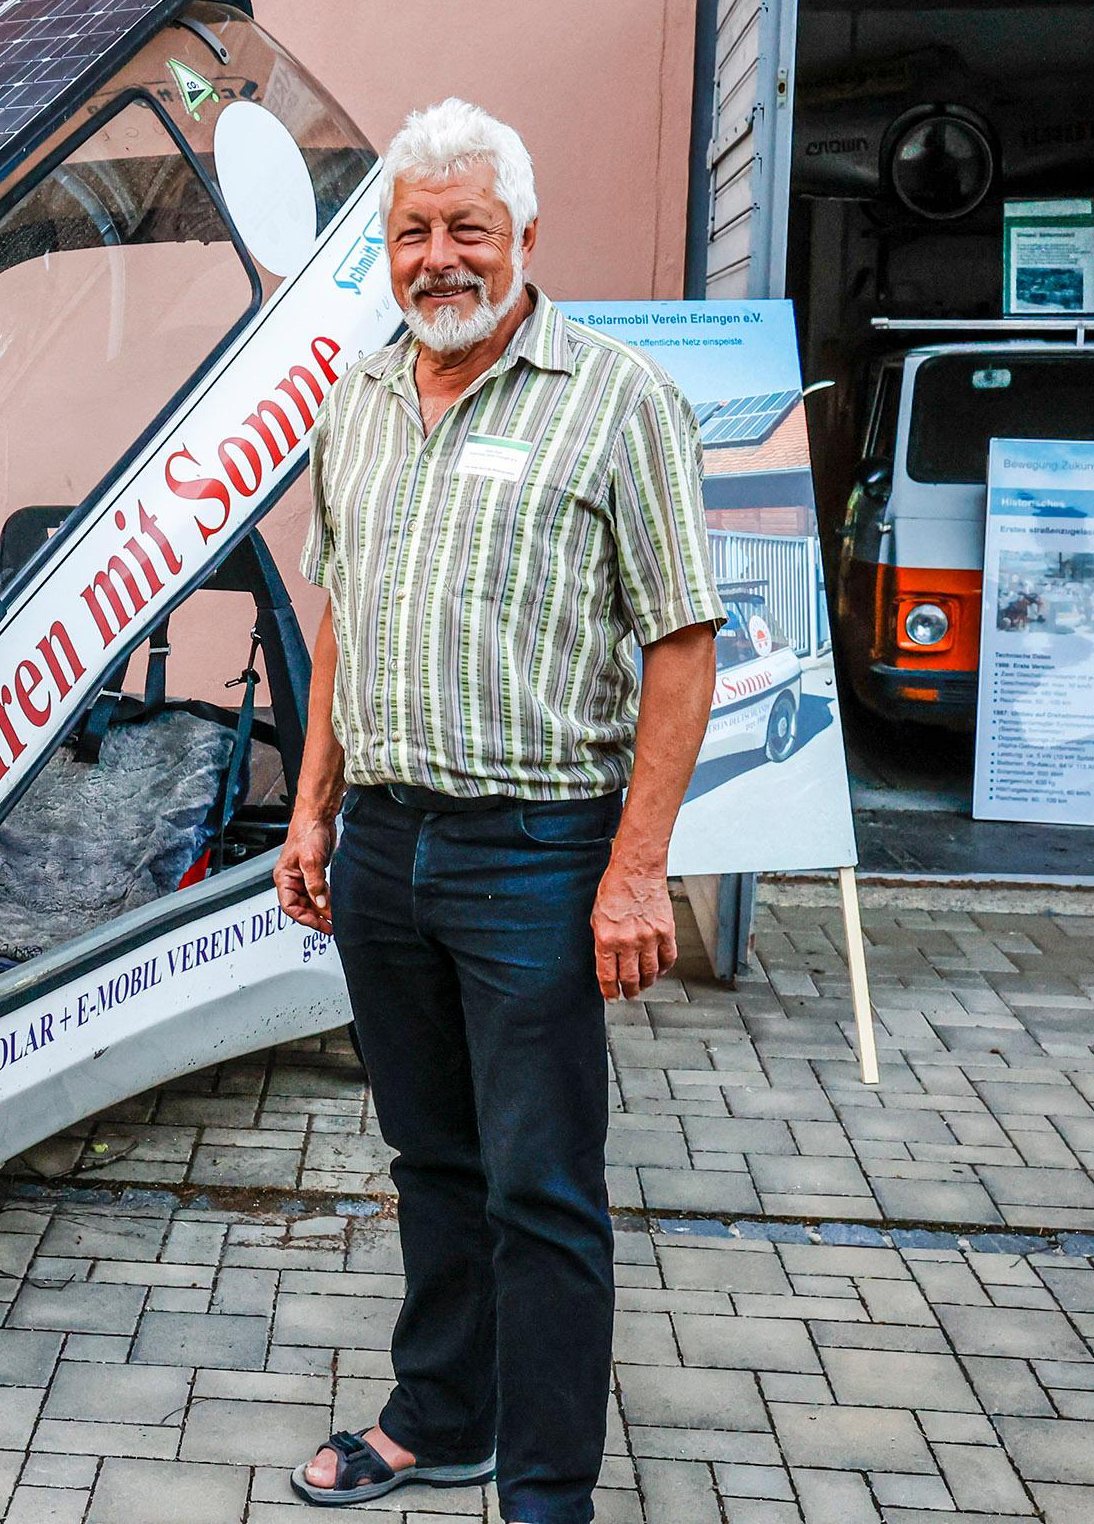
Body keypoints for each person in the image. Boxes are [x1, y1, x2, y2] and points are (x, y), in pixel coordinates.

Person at [276, 100, 722, 1522]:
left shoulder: (619, 399)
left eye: (468, 227)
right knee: (431, 1158)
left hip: (538, 853)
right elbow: (338, 612)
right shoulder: (356, 401)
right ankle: (442, 1415)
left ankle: (545, 1492)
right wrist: (311, 812)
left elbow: (681, 641)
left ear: (525, 236)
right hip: (387, 849)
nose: (439, 257)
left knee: (542, 1190)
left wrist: (638, 870)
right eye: (414, 231)